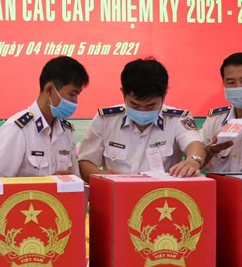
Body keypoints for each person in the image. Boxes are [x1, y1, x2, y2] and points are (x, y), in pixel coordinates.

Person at [78, 58, 206, 180]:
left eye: (150, 106)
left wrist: (193, 160)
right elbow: (85, 162)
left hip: (161, 194)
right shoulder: (106, 120)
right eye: (135, 105)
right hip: (116, 191)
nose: (142, 111)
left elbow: (194, 143)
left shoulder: (177, 119)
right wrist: (106, 177)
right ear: (123, 93)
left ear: (164, 94)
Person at [0, 56, 89, 177]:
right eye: (72, 94)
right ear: (49, 90)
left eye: (77, 95)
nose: (75, 102)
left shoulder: (66, 132)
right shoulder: (17, 130)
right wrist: (46, 184)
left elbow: (75, 180)